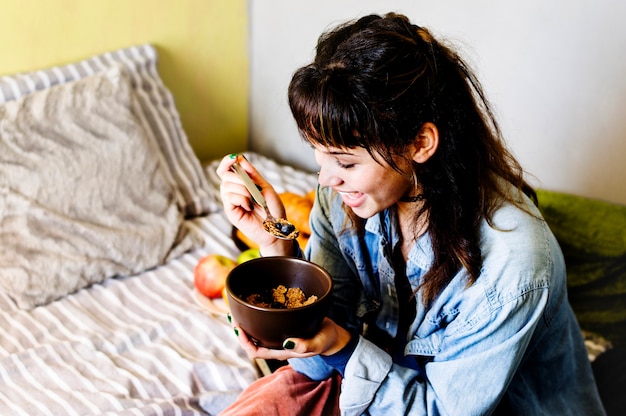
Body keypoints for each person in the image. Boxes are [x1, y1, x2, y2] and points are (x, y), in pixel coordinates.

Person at [216, 12, 605, 415]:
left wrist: (344, 351)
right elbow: (315, 360)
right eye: (319, 157)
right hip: (385, 379)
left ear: (420, 142)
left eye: (346, 163)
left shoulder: (513, 266)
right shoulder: (342, 200)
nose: (326, 179)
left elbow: (438, 409)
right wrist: (276, 249)